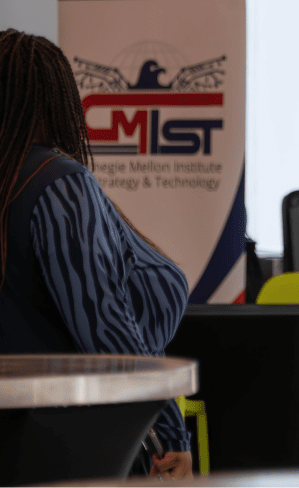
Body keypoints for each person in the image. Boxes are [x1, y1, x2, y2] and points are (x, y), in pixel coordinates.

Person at [0, 29, 193, 479]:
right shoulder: (59, 184)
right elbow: (105, 329)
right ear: (58, 100)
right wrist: (166, 431)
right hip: (72, 443)